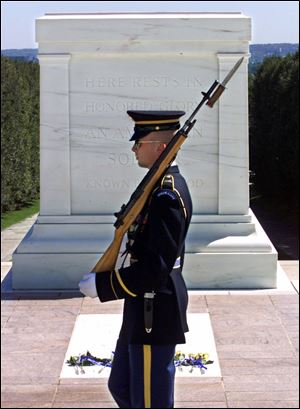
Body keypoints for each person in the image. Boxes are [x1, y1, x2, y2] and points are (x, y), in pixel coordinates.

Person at [79, 110, 193, 408]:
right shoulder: (155, 189)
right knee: (122, 386)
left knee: (149, 401)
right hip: (141, 307)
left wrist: (105, 286)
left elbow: (155, 268)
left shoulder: (167, 195)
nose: (133, 149)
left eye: (138, 143)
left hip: (153, 309)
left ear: (160, 147)